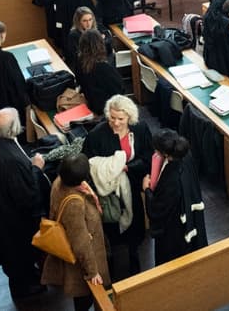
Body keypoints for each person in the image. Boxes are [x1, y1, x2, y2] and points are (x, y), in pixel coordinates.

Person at [0, 108, 48, 298]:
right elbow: (27, 195)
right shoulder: (11, 160)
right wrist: (36, 168)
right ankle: (27, 287)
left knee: (11, 255)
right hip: (12, 219)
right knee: (19, 254)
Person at [81, 95, 152, 275]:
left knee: (134, 222)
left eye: (121, 118)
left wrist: (127, 167)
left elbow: (147, 156)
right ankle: (111, 259)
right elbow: (88, 162)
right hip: (108, 190)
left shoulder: (140, 129)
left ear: (130, 117)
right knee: (112, 225)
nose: (116, 123)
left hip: (133, 184)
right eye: (112, 118)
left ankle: (133, 254)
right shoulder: (96, 135)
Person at [41, 153, 110, 311]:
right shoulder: (74, 204)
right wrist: (93, 272)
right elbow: (81, 243)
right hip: (82, 266)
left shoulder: (59, 182)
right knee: (85, 300)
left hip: (81, 256)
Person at [142, 129, 208, 266]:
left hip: (174, 226)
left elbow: (157, 210)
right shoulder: (186, 156)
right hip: (189, 210)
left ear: (165, 154)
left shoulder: (171, 179)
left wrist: (147, 189)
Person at [76, 29, 124, 115]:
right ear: (100, 44)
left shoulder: (80, 62)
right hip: (107, 107)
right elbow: (119, 90)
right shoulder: (103, 68)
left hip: (91, 102)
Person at [64, 6, 104, 72]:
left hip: (98, 62)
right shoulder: (74, 34)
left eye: (90, 19)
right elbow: (78, 56)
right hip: (85, 67)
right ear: (78, 21)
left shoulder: (97, 27)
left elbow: (109, 40)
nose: (88, 24)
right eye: (84, 21)